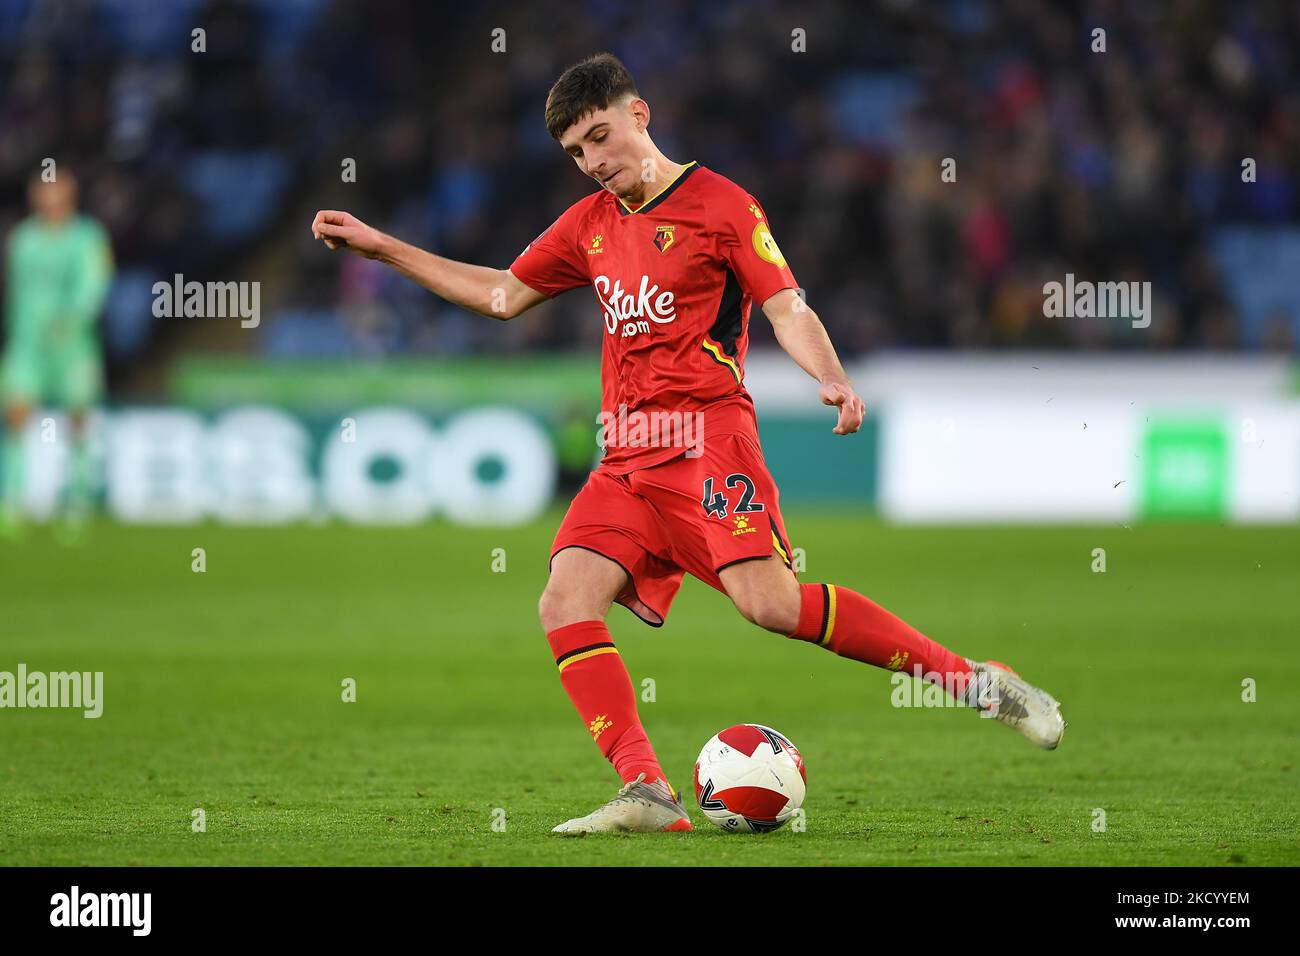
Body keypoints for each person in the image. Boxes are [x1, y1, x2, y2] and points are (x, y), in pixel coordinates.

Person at [311, 52, 1065, 835]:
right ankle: (646, 790)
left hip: (710, 443)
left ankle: (974, 682)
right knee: (565, 600)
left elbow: (787, 306)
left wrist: (831, 375)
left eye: (600, 137)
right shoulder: (588, 226)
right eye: (575, 153)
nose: (593, 162)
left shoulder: (723, 206)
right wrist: (384, 248)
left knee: (771, 606)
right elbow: (504, 295)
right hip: (628, 458)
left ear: (640, 115)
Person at [2, 170, 113, 539]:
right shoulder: (24, 239)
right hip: (27, 343)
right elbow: (15, 293)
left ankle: (77, 500)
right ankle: (12, 500)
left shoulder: (88, 237)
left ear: (70, 196)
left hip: (72, 343)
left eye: (56, 192)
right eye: (43, 192)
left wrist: (73, 319)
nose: (49, 199)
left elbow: (95, 284)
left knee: (77, 417)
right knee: (16, 414)